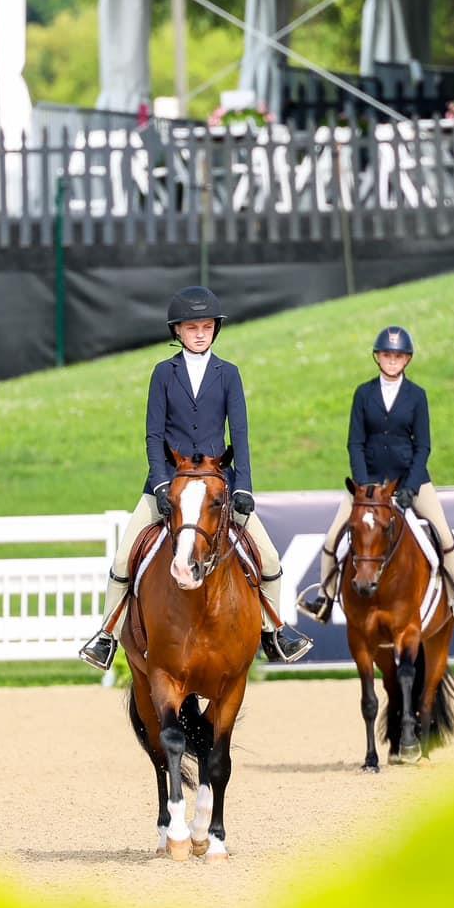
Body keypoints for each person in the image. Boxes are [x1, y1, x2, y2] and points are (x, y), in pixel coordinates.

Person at [77, 286, 312, 671]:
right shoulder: (163, 373)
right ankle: (107, 635)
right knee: (122, 559)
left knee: (269, 558)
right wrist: (160, 483)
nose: (200, 334)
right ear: (178, 331)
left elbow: (240, 434)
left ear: (215, 329)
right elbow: (153, 435)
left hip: (216, 486)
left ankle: (274, 631)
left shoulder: (228, 374)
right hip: (171, 483)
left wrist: (243, 486)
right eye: (192, 327)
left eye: (206, 327)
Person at [296, 325, 454, 628]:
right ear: (378, 357)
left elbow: (423, 446)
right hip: (368, 482)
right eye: (387, 355)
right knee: (333, 538)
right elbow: (355, 443)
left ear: (406, 359)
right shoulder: (364, 393)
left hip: (410, 479)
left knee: (445, 538)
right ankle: (324, 597)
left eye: (397, 356)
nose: (392, 360)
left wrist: (410, 486)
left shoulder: (417, 396)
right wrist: (362, 486)